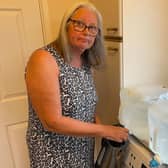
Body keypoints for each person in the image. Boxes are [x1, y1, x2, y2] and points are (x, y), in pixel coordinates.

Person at [25, 2, 129, 168]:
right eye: (79, 24)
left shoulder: (85, 61)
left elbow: (86, 104)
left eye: (92, 28)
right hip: (53, 153)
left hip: (81, 149)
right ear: (66, 26)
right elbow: (51, 121)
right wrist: (105, 130)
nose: (87, 32)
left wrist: (100, 125)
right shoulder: (43, 60)